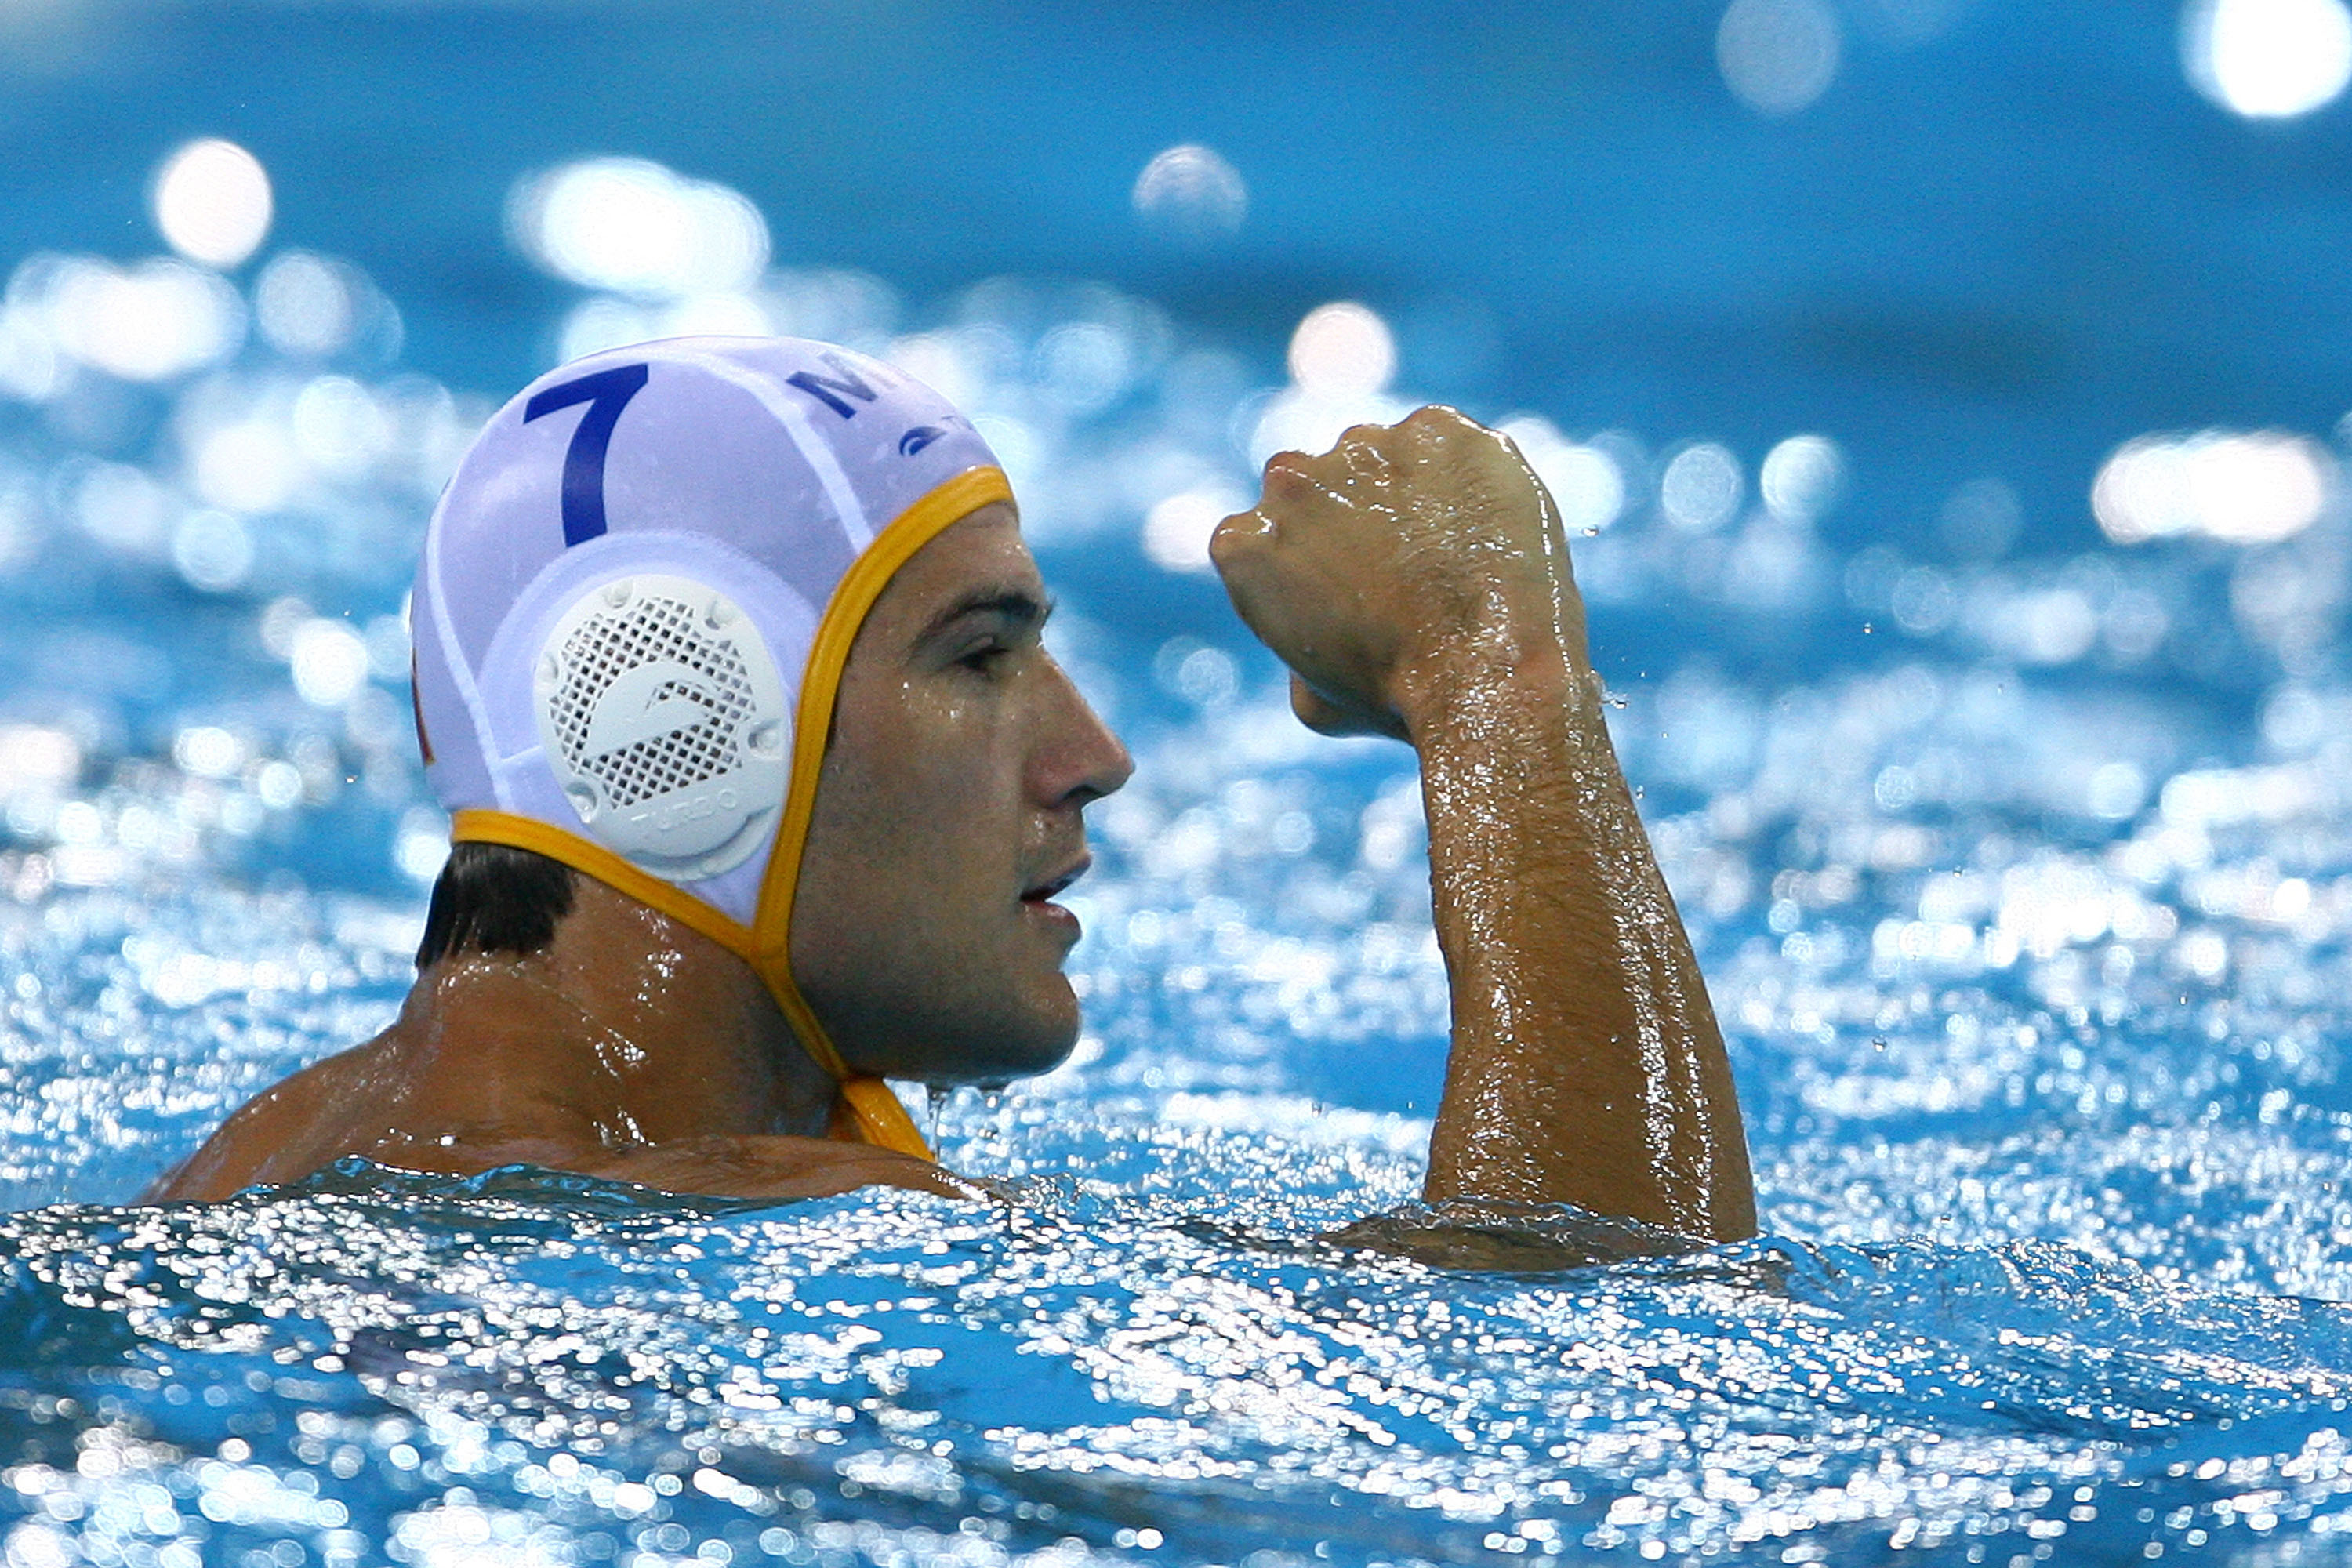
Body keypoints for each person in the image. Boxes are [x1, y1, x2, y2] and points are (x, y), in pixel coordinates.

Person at [147, 336, 1756, 1243]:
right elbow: (1622, 1327)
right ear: (671, 724)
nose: (1092, 757)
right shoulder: (768, 1234)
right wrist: (1492, 678)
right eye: (980, 655)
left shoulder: (241, 1174)